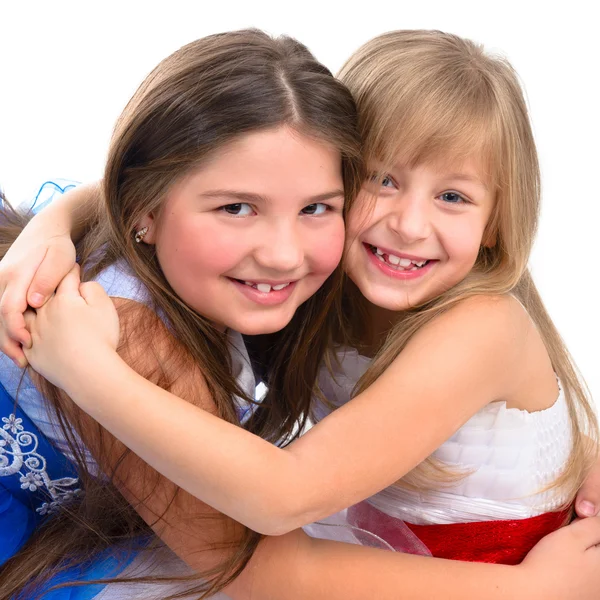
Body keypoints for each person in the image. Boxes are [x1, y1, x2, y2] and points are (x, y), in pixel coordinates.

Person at [3, 29, 600, 600]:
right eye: (382, 180)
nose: (411, 226)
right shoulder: (308, 290)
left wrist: (80, 356)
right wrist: (53, 241)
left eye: (453, 196)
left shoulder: (468, 320)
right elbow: (138, 187)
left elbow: (281, 496)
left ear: (496, 221)